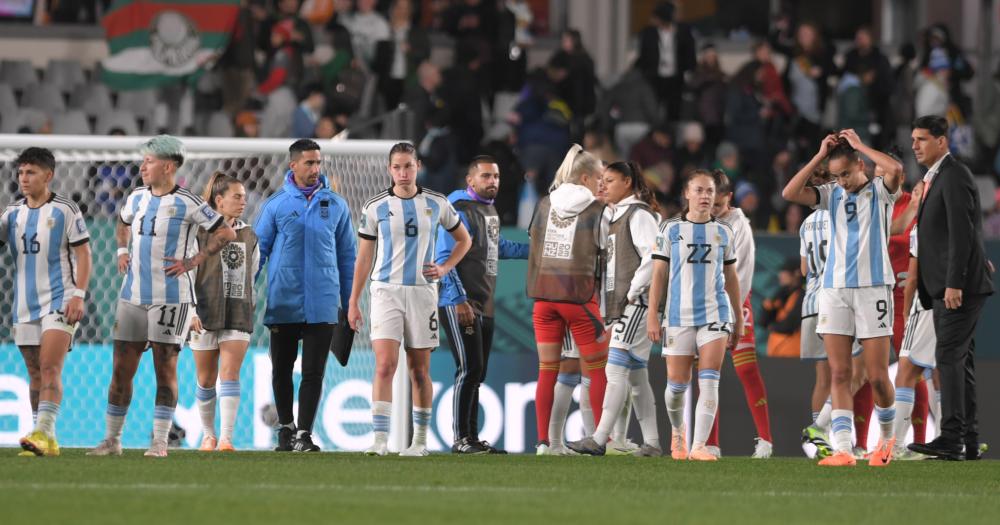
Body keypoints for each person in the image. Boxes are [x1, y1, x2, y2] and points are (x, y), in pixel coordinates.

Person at [89, 135, 236, 458]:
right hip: (132, 297)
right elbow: (122, 222)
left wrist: (193, 261)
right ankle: (112, 440)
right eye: (143, 160)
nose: (142, 166)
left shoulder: (189, 202)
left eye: (149, 161)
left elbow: (226, 232)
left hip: (172, 299)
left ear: (168, 166)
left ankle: (159, 441)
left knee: (164, 369)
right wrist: (122, 250)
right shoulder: (136, 197)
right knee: (120, 370)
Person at [782, 130, 904, 466]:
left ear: (860, 165)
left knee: (878, 376)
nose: (842, 182)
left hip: (873, 290)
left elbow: (895, 170)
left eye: (846, 174)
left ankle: (888, 440)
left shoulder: (880, 192)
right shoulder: (831, 194)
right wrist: (819, 156)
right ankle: (843, 450)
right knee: (839, 374)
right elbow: (790, 192)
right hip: (834, 292)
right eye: (836, 176)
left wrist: (860, 144)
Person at [349, 142, 472, 457]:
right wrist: (353, 301)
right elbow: (363, 259)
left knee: (419, 369)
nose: (403, 173)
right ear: (389, 170)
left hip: (422, 293)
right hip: (385, 291)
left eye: (408, 166)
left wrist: (445, 267)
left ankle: (419, 442)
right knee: (385, 364)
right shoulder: (375, 206)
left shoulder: (437, 203)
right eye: (397, 167)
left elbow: (464, 239)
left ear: (418, 166)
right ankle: (380, 440)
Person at [254, 139, 356, 452]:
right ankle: (286, 427)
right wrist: (245, 291)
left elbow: (348, 257)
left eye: (318, 163)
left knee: (314, 371)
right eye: (309, 163)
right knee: (281, 370)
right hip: (284, 301)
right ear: (293, 165)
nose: (315, 169)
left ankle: (304, 434)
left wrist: (350, 302)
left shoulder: (336, 205)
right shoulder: (275, 205)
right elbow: (259, 252)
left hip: (323, 302)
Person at [908, 115, 993, 461]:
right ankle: (968, 439)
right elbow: (968, 229)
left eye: (922, 139)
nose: (915, 145)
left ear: (942, 141)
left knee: (948, 358)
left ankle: (951, 437)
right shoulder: (938, 177)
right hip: (949, 285)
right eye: (913, 139)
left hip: (956, 288)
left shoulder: (953, 175)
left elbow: (961, 230)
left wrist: (955, 282)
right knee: (961, 361)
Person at [567, 161, 662, 457]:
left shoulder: (639, 215)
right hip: (623, 304)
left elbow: (654, 258)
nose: (603, 185)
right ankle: (653, 443)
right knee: (636, 375)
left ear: (628, 183)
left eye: (610, 180)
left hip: (637, 303)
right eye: (602, 179)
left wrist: (633, 293)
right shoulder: (615, 215)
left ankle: (598, 438)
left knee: (615, 369)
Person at [647, 169, 744, 461]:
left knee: (710, 380)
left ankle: (699, 445)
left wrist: (737, 317)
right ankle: (679, 432)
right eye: (699, 190)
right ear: (687, 194)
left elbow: (731, 277)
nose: (705, 196)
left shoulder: (724, 231)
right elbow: (659, 274)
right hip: (678, 315)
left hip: (715, 312)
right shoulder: (669, 229)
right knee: (676, 387)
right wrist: (653, 313)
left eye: (710, 192)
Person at [1, 148, 91, 457]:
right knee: (35, 372)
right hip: (24, 304)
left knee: (50, 367)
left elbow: (84, 254)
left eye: (31, 173)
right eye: (21, 172)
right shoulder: (12, 213)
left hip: (60, 299)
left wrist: (78, 295)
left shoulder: (65, 209)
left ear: (48, 175)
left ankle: (40, 432)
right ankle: (47, 438)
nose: (23, 178)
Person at [436, 155, 528, 454]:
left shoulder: (488, 210)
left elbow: (498, 247)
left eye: (496, 177)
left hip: (484, 303)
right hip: (460, 301)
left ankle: (472, 439)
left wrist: (535, 251)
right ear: (470, 180)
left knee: (478, 372)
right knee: (468, 368)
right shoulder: (457, 209)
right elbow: (443, 258)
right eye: (486, 176)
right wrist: (459, 299)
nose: (493, 182)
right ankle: (461, 439)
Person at [527, 145, 608, 456]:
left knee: (548, 369)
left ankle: (544, 443)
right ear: (585, 178)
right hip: (578, 297)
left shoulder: (544, 203)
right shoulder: (597, 210)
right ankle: (600, 440)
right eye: (599, 177)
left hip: (543, 297)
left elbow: (533, 242)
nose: (602, 183)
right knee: (598, 369)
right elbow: (604, 251)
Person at [704, 169, 772, 459]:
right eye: (709, 205)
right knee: (708, 374)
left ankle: (766, 441)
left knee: (746, 369)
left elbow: (742, 274)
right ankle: (710, 443)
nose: (714, 211)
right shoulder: (697, 220)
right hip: (702, 305)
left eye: (718, 206)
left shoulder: (739, 225)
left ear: (728, 199)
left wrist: (733, 317)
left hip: (734, 304)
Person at [189, 172, 259, 452]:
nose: (243, 201)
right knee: (205, 379)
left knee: (230, 374)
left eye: (243, 196)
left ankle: (227, 438)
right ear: (219, 200)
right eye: (237, 196)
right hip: (203, 311)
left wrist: (247, 301)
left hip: (237, 311)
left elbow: (252, 274)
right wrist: (191, 309)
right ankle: (208, 435)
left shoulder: (249, 234)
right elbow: (189, 273)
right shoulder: (197, 232)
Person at [891, 221, 937, 460]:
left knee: (906, 371)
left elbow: (912, 278)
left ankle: (896, 444)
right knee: (938, 373)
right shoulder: (957, 220)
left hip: (925, 302)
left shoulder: (922, 226)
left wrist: (906, 311)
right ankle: (949, 439)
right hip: (951, 304)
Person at [635, 2, 696, 122]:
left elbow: (689, 54)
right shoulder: (648, 33)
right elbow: (644, 56)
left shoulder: (683, 32)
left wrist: (689, 72)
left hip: (675, 78)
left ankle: (671, 135)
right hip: (654, 78)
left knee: (674, 111)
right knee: (652, 108)